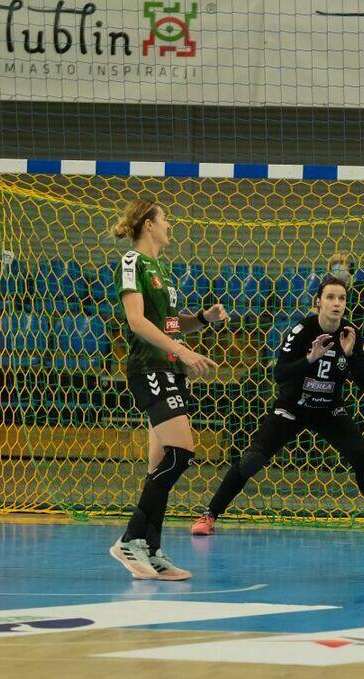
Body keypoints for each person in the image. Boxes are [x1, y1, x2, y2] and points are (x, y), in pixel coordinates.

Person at [191, 274, 364, 539]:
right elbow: (279, 374)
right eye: (330, 297)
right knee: (253, 459)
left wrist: (350, 355)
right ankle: (209, 515)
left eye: (342, 298)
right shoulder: (302, 330)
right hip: (293, 407)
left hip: (329, 409)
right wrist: (310, 358)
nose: (336, 303)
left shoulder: (350, 333)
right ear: (318, 302)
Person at [108, 198, 229, 581]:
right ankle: (130, 540)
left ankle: (152, 549)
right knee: (181, 454)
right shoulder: (133, 262)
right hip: (149, 368)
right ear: (148, 224)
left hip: (169, 369)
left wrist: (202, 320)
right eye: (164, 219)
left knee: (158, 465)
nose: (169, 225)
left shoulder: (163, 269)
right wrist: (182, 351)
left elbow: (169, 324)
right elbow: (136, 321)